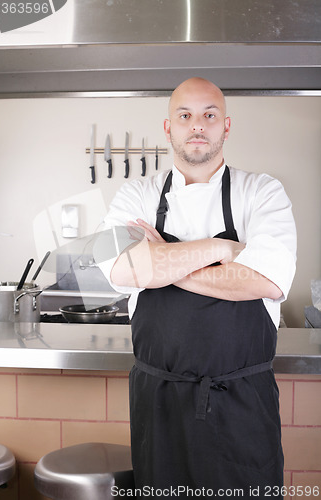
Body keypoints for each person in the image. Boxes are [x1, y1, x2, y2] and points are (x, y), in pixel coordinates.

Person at [99, 77, 297, 498]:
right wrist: (220, 248)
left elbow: (265, 280)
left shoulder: (262, 192)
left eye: (209, 115)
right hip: (159, 405)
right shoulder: (135, 193)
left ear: (226, 126)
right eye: (185, 115)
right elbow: (118, 268)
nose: (197, 126)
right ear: (169, 127)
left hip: (241, 404)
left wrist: (161, 263)